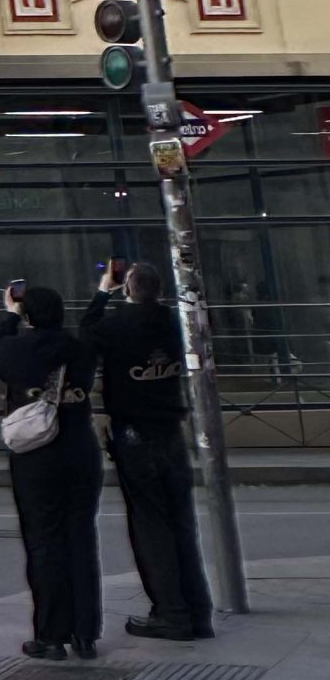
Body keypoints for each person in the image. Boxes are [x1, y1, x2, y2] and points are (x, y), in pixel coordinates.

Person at [83, 261, 215, 642]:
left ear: (127, 288)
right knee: (182, 521)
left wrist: (101, 293)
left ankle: (170, 612)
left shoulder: (116, 325)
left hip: (135, 431)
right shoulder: (174, 322)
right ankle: (197, 610)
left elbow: (86, 335)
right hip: (171, 429)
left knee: (150, 524)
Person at [0, 282, 102, 661]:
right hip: (80, 449)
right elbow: (92, 331)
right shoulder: (80, 349)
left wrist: (10, 315)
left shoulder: (18, 351)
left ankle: (51, 633)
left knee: (44, 540)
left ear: (29, 315)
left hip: (37, 455)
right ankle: (86, 633)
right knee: (81, 538)